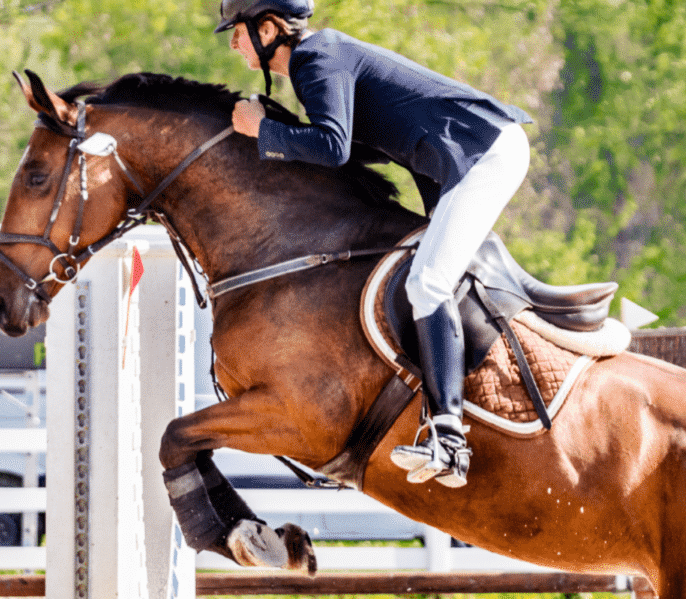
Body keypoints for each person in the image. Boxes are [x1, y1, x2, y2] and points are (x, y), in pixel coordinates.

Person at [216, 0, 532, 488]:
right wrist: (275, 125)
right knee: (423, 275)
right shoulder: (315, 64)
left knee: (428, 284)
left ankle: (449, 438)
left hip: (484, 152)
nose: (233, 43)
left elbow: (333, 148)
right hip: (463, 159)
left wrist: (264, 129)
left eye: (236, 32)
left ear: (269, 27)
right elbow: (348, 149)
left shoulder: (316, 57)